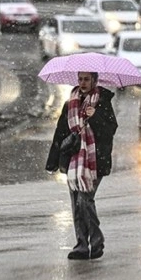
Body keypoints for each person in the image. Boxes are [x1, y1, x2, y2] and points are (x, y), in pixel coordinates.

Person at [46, 72, 118, 260]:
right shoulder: (70, 103)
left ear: (94, 80)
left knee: (84, 200)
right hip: (73, 159)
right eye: (80, 79)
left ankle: (96, 239)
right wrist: (52, 161)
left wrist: (95, 117)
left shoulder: (102, 102)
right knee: (76, 204)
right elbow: (60, 132)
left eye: (87, 79)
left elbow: (109, 131)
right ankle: (82, 245)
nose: (83, 83)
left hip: (95, 160)